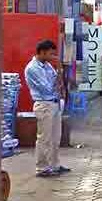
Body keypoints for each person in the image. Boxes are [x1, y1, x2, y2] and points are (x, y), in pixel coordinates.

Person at [24, 40, 70, 178]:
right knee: (45, 138)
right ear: (42, 52)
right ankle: (42, 168)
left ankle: (54, 165)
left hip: (54, 104)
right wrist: (58, 79)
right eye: (51, 54)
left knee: (56, 138)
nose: (53, 56)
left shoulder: (47, 66)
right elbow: (47, 87)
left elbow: (58, 81)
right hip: (44, 105)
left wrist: (60, 71)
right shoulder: (32, 68)